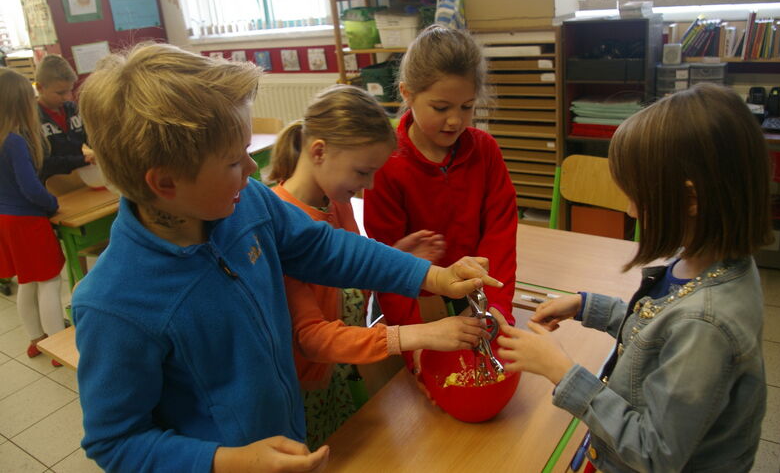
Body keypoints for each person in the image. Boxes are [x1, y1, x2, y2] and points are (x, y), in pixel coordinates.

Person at [72, 42, 501, 472]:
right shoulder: (114, 305)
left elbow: (324, 248)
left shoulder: (248, 203)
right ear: (165, 183)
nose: (252, 170)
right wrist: (228, 461)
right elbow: (117, 441)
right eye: (233, 161)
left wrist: (432, 276)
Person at [494, 83, 772, 472]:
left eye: (638, 197)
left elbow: (653, 453)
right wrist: (587, 306)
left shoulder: (705, 324)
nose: (630, 210)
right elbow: (657, 328)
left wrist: (561, 370)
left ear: (691, 199)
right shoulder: (710, 258)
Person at [269, 84, 487, 449]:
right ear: (319, 152)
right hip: (306, 389)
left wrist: (397, 255)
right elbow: (311, 339)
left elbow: (347, 279)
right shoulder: (281, 224)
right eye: (362, 172)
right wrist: (419, 335)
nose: (368, 185)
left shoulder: (334, 200)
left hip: (342, 372)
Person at [363, 25, 518, 358]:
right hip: (414, 303)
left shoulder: (485, 150)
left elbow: (500, 233)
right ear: (407, 93)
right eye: (441, 107)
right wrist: (414, 343)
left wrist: (497, 307)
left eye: (466, 107)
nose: (455, 121)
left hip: (475, 296)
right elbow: (386, 260)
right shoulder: (387, 163)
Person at [0, 68, 65, 367]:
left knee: (27, 281)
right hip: (27, 221)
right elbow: (30, 187)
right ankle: (58, 346)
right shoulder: (14, 141)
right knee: (49, 282)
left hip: (5, 220)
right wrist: (51, 204)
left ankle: (36, 339)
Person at [35, 54, 93, 180]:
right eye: (60, 93)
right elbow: (41, 163)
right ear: (40, 88)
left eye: (70, 90)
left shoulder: (72, 109)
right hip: (51, 182)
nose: (67, 97)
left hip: (80, 176)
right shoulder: (32, 119)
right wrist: (81, 160)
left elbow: (90, 138)